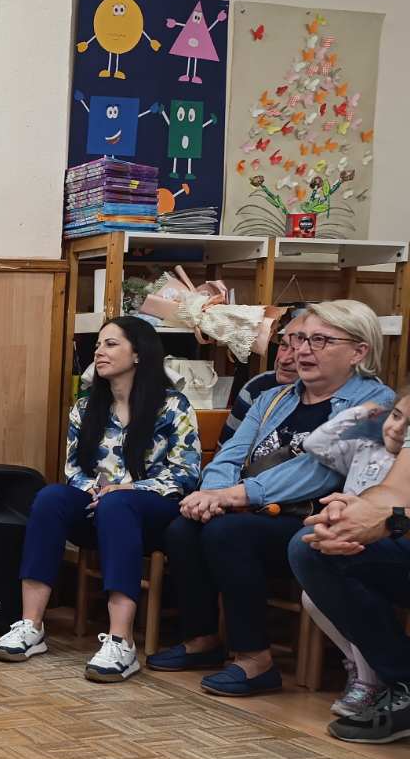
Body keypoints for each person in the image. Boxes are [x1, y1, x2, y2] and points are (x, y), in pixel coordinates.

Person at [150, 300, 396, 696]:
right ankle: (202, 641)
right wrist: (211, 494)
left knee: (228, 533)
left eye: (319, 341)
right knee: (183, 527)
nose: (302, 350)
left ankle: (255, 660)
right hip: (249, 505)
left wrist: (235, 495)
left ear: (359, 351)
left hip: (313, 516)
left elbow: (320, 471)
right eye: (298, 339)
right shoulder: (274, 398)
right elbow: (231, 452)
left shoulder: (375, 404)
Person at [0, 317, 201, 681]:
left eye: (111, 344)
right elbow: (74, 468)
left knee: (117, 505)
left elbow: (185, 474)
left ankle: (121, 641)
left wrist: (126, 490)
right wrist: (93, 489)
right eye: (98, 346)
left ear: (138, 353)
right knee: (50, 497)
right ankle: (31, 625)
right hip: (99, 506)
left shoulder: (173, 406)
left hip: (152, 513)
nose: (99, 352)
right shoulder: (85, 406)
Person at [295, 386, 407, 717]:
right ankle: (394, 678)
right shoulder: (370, 446)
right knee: (309, 546)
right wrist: (351, 514)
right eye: (396, 416)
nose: (398, 428)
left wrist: (391, 520)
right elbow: (394, 492)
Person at [220, 306, 305, 445]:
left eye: (298, 350)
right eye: (283, 345)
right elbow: (226, 450)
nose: (283, 360)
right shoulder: (259, 388)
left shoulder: (337, 405)